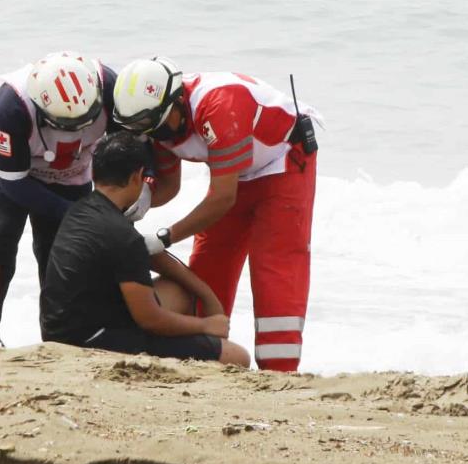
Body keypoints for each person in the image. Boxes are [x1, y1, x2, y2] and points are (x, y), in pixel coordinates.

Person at [112, 58, 318, 372]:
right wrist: (142, 199)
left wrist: (166, 237)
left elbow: (223, 198)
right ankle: (205, 356)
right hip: (235, 174)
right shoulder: (158, 122)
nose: (150, 135)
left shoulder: (221, 106)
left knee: (274, 266)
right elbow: (169, 185)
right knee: (209, 262)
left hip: (284, 163)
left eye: (152, 125)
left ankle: (279, 370)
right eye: (141, 128)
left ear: (176, 103)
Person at [40, 133, 250, 366]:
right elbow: (150, 319)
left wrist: (204, 293)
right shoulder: (121, 234)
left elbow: (146, 253)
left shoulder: (81, 210)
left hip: (57, 331)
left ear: (94, 172)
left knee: (178, 291)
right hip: (89, 342)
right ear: (137, 177)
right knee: (238, 357)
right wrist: (206, 326)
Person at [0, 51, 118, 312]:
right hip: (13, 164)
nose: (76, 129)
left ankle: (60, 335)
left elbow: (125, 151)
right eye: (67, 124)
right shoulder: (11, 106)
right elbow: (13, 183)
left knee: (65, 251)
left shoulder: (109, 86)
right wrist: (74, 212)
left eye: (85, 120)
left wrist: (140, 191)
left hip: (73, 163)